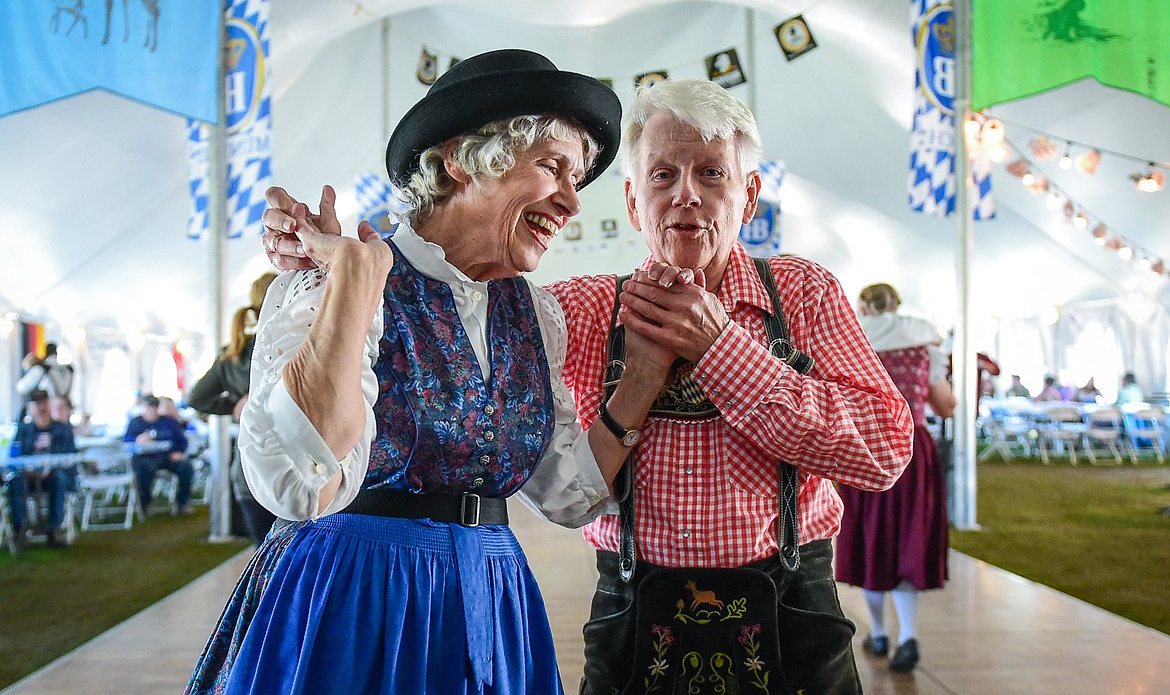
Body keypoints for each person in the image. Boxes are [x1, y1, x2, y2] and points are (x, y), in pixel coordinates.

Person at [261, 76, 913, 694]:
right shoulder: (576, 310)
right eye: (662, 175)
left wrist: (722, 351)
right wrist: (333, 279)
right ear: (634, 202)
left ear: (750, 195)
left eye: (712, 174)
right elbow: (453, 298)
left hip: (790, 606)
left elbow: (885, 451)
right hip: (623, 609)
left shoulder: (801, 293)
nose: (686, 194)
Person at [188, 49, 630, 694]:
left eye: (578, 178)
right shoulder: (333, 279)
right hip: (356, 596)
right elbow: (294, 484)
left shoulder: (535, 313)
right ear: (458, 160)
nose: (570, 200)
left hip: (493, 592)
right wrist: (350, 288)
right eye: (552, 167)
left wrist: (641, 377)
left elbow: (568, 495)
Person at [835, 283, 956, 674]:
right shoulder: (924, 343)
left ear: (866, 307)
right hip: (914, 448)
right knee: (908, 536)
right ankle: (908, 636)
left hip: (867, 445)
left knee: (874, 537)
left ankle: (880, 632)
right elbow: (947, 405)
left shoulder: (854, 339)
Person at [187, 271, 279, 546]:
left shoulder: (234, 353)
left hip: (249, 471)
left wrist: (239, 405)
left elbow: (197, 398)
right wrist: (244, 405)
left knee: (264, 563)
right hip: (289, 469)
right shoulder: (288, 346)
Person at [5, 389, 77, 550]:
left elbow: (70, 457)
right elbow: (14, 456)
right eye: (37, 404)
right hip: (28, 477)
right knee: (16, 481)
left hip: (53, 476)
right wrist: (28, 469)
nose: (41, 407)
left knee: (59, 479)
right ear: (30, 407)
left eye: (43, 403)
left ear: (48, 404)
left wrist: (49, 469)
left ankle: (53, 530)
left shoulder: (62, 429)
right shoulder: (23, 430)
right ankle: (20, 529)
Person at [123, 393, 194, 515]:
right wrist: (137, 440)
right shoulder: (136, 423)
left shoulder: (168, 422)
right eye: (149, 406)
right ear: (144, 407)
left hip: (167, 457)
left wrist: (179, 452)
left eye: (155, 406)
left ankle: (182, 503)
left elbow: (182, 440)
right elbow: (126, 441)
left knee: (186, 468)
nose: (152, 409)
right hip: (145, 458)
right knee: (144, 469)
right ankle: (145, 502)